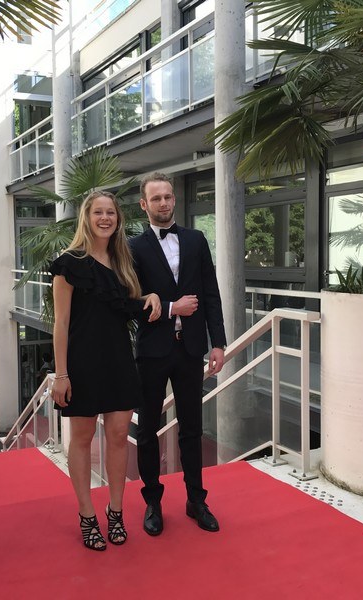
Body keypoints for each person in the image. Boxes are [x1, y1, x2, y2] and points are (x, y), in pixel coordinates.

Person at [49, 191, 161, 551]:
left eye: (110, 212)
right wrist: (61, 375)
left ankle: (116, 512)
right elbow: (60, 324)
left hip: (119, 361)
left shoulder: (123, 261)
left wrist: (150, 298)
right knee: (81, 439)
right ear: (87, 217)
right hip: (81, 364)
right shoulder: (69, 263)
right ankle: (87, 515)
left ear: (118, 219)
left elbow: (123, 307)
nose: (105, 218)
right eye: (98, 212)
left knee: (117, 436)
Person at [129, 172, 227, 536]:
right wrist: (172, 308)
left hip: (190, 350)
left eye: (168, 196)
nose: (164, 203)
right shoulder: (133, 247)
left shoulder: (196, 239)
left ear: (174, 199)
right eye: (156, 198)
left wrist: (218, 343)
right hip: (152, 351)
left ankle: (196, 500)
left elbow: (211, 293)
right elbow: (130, 302)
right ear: (144, 204)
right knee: (147, 430)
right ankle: (152, 502)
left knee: (192, 428)